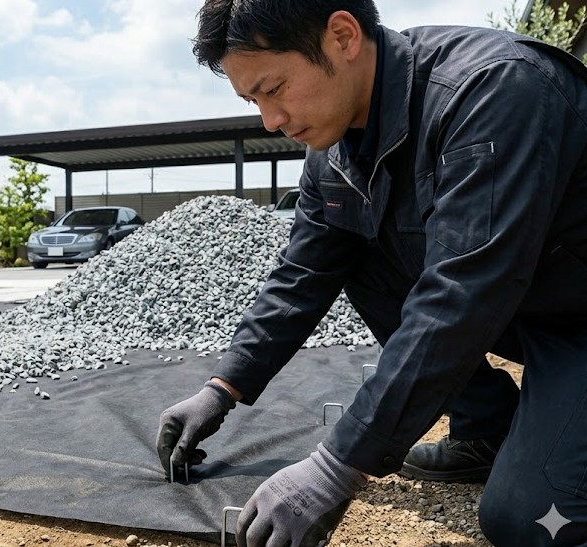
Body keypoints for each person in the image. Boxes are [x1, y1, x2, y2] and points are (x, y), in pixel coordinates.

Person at [155, 1, 587, 545]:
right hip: (536, 305)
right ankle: (488, 430)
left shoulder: (491, 90)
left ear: (342, 35)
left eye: (274, 88)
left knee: (532, 521)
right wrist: (225, 386)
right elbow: (304, 272)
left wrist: (337, 468)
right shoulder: (335, 149)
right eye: (252, 101)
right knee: (357, 252)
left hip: (572, 319)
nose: (271, 121)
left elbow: (464, 292)